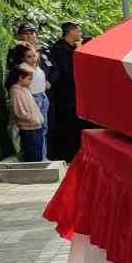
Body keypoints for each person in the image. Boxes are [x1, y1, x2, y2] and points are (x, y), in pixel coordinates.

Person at [47, 22, 82, 161]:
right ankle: (66, 154)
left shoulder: (72, 48)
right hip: (64, 95)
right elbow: (66, 72)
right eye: (78, 31)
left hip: (74, 94)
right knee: (65, 125)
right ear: (71, 32)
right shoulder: (59, 50)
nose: (80, 34)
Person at [8, 65, 44, 161]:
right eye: (29, 78)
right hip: (29, 129)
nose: (31, 81)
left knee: (37, 156)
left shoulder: (25, 89)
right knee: (33, 158)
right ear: (20, 77)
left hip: (35, 127)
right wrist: (34, 119)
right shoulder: (16, 91)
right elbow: (19, 112)